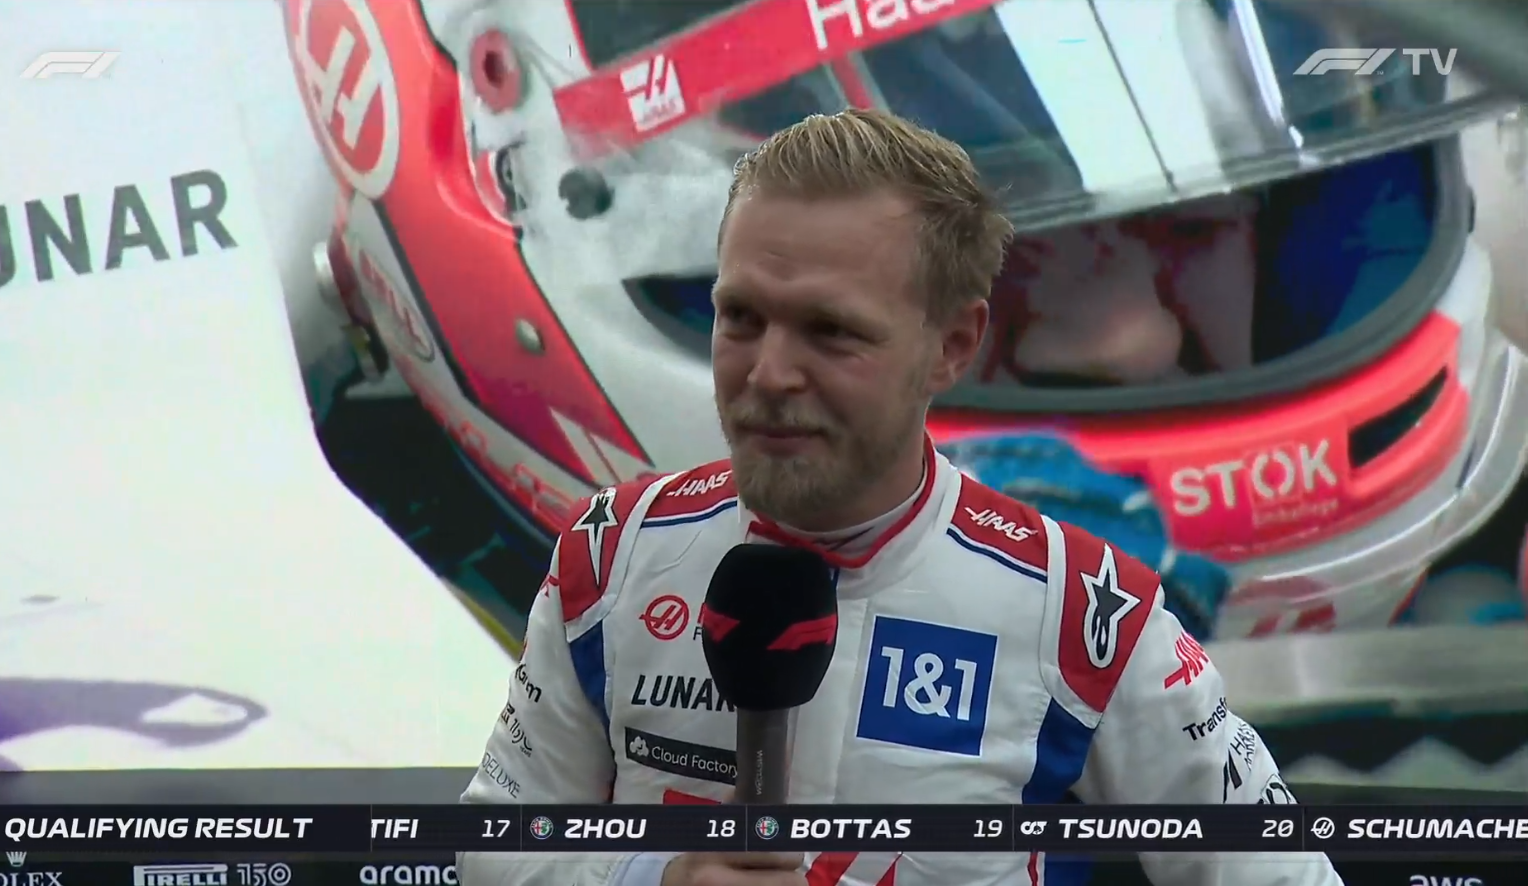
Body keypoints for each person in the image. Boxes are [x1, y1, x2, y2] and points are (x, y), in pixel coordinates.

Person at [456, 109, 1343, 886]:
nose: (769, 374)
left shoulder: (1081, 613)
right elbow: (488, 847)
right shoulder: (613, 553)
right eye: (742, 318)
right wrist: (655, 876)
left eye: (830, 331)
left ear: (951, 346)